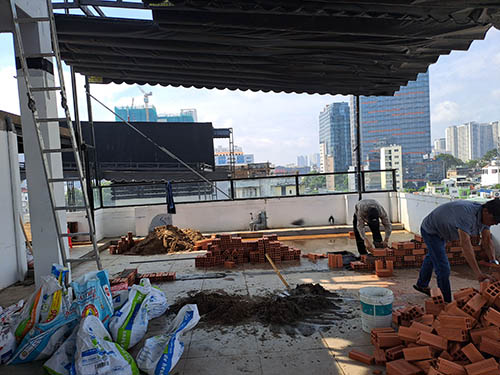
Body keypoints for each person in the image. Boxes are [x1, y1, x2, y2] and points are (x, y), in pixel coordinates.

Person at [413, 199, 500, 303]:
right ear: (486, 211)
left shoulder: (485, 217)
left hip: (443, 231)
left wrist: (493, 262)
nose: (495, 223)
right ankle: (447, 304)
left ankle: (421, 284)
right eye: (494, 219)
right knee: (443, 268)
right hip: (431, 230)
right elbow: (465, 245)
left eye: (497, 222)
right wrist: (478, 273)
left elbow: (486, 240)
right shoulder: (467, 216)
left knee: (434, 255)